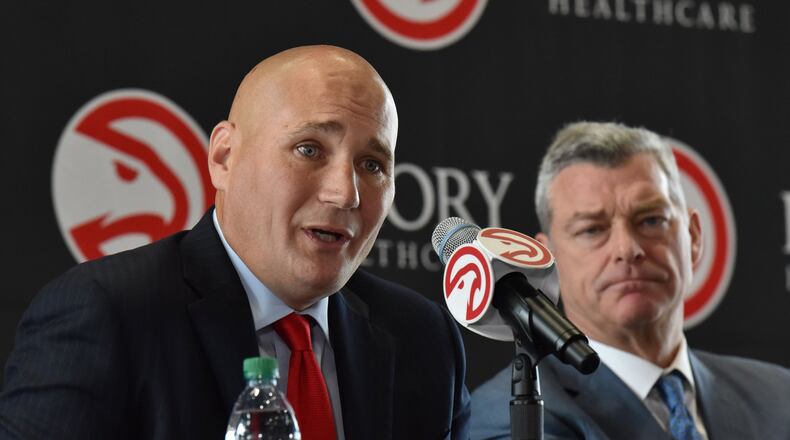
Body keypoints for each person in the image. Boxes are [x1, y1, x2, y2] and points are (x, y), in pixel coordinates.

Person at [0, 45, 470, 440]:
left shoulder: (421, 339)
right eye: (309, 149)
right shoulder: (110, 314)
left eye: (372, 165)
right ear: (224, 157)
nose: (345, 193)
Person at [471, 122, 790, 439]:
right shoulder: (513, 419)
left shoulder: (779, 397)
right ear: (549, 256)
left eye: (651, 220)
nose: (628, 249)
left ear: (692, 238)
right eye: (592, 229)